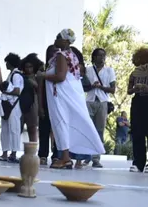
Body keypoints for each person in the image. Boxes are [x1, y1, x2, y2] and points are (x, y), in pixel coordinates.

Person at [39, 29, 105, 169]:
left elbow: (60, 77)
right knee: (64, 123)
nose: (55, 39)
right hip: (68, 94)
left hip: (61, 95)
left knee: (60, 123)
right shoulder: (72, 55)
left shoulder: (62, 55)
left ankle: (65, 158)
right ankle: (65, 156)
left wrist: (43, 76)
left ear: (65, 41)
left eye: (58, 37)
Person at [128, 47, 148, 174]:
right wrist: (135, 89)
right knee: (137, 133)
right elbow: (128, 90)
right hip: (137, 101)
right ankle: (138, 162)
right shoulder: (134, 73)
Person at [84, 48, 116, 168]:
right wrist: (92, 86)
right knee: (88, 128)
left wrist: (101, 87)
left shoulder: (109, 71)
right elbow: (84, 87)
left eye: (104, 55)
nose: (102, 57)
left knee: (99, 130)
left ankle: (96, 158)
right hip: (89, 100)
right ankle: (86, 156)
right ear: (94, 57)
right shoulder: (88, 70)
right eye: (99, 55)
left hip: (102, 101)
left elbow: (113, 89)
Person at [0, 53, 24, 163]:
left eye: (7, 62)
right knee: (5, 130)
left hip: (14, 105)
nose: (6, 64)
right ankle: (5, 153)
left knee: (14, 129)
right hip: (8, 105)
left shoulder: (16, 75)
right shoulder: (11, 74)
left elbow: (17, 91)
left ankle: (13, 153)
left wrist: (6, 91)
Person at [37, 44, 60, 166]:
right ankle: (43, 155)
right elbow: (40, 90)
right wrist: (40, 107)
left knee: (57, 131)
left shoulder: (60, 71)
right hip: (46, 104)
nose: (55, 55)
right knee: (44, 130)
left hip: (57, 105)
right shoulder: (43, 72)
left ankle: (56, 155)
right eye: (52, 52)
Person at [18, 53, 42, 144]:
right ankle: (13, 152)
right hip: (21, 102)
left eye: (30, 67)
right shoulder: (20, 76)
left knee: (32, 128)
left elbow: (38, 88)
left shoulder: (37, 77)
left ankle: (33, 151)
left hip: (33, 103)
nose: (28, 69)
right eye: (26, 67)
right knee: (18, 128)